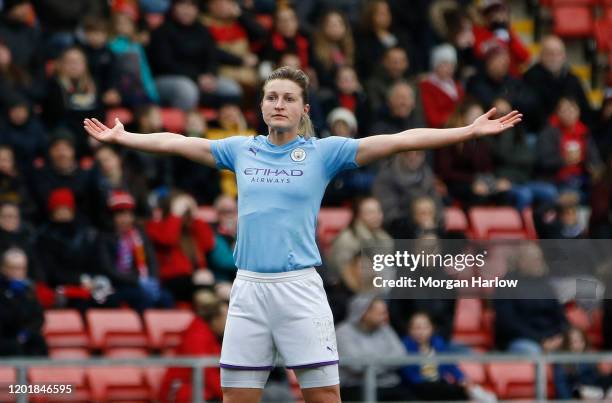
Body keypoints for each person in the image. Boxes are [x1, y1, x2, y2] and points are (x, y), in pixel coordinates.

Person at [84, 65, 521, 402]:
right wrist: (127, 138)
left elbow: (401, 139)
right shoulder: (240, 149)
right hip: (249, 288)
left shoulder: (323, 153)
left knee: (324, 396)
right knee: (235, 396)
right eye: (271, 96)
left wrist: (467, 130)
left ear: (303, 109)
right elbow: (177, 142)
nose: (278, 104)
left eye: (288, 98)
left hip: (299, 288)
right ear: (261, 106)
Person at [336, 293, 415, 401]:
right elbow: (357, 366)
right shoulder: (342, 332)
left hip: (389, 385)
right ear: (364, 313)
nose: (386, 316)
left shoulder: (385, 328)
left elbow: (401, 355)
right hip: (356, 387)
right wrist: (386, 362)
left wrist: (370, 362)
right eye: (381, 313)